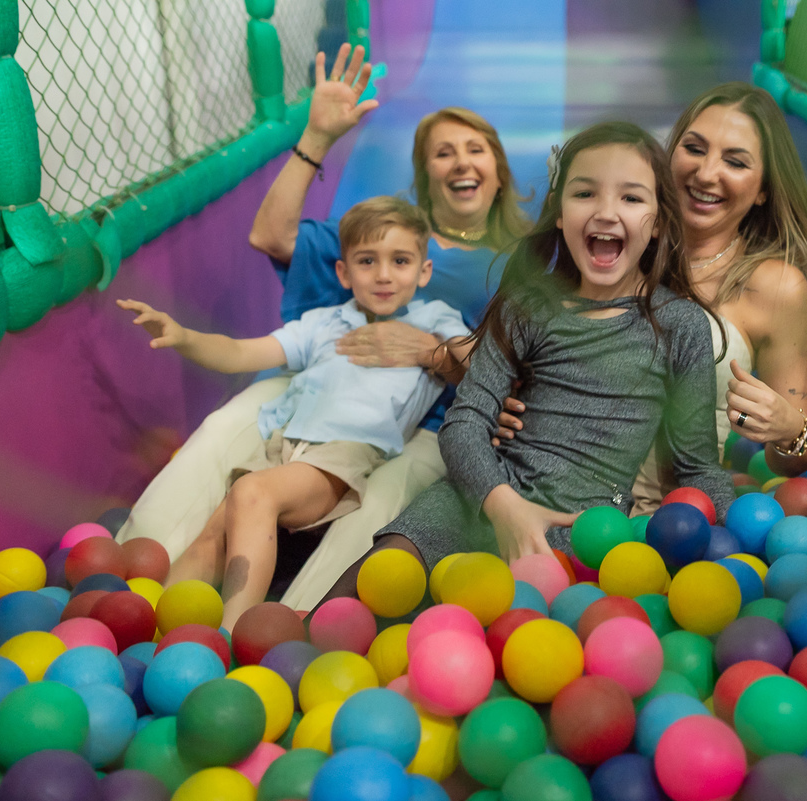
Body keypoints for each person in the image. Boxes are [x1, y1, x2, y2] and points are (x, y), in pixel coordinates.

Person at [115, 43, 533, 611]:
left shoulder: (520, 263)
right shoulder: (390, 234)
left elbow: (516, 357)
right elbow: (273, 237)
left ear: (498, 170)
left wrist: (434, 354)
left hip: (436, 417)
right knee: (226, 427)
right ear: (424, 175)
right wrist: (315, 139)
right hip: (324, 382)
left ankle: (298, 623)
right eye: (443, 152)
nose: (460, 161)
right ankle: (136, 585)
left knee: (390, 493)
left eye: (474, 149)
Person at [312, 121, 736, 601]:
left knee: (514, 644)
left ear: (658, 222)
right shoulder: (529, 306)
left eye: (631, 198)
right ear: (558, 213)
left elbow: (696, 466)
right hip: (479, 499)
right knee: (366, 592)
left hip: (579, 527)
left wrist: (741, 543)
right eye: (585, 194)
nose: (605, 212)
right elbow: (465, 422)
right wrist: (502, 503)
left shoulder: (678, 325)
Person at [118, 197, 470, 629]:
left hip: (345, 454)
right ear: (343, 272)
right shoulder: (325, 322)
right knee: (215, 530)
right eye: (366, 261)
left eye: (400, 261)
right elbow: (241, 352)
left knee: (251, 495)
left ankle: (234, 634)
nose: (383, 274)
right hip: (284, 447)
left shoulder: (433, 318)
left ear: (424, 271)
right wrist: (184, 335)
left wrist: (430, 347)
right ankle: (152, 629)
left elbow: (473, 360)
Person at [495, 83, 807, 515]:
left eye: (734, 161)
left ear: (764, 188)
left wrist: (788, 428)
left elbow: (802, 453)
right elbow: (509, 350)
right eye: (694, 148)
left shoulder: (775, 288)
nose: (706, 172)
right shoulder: (609, 243)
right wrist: (507, 401)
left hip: (667, 521)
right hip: (543, 490)